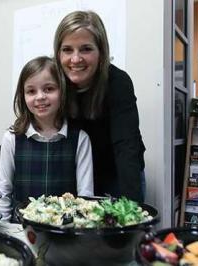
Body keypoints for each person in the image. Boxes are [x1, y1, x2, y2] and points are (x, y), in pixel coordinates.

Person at [53, 10, 146, 202]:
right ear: (58, 53)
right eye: (67, 49)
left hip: (117, 174)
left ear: (101, 52)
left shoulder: (118, 82)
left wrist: (133, 211)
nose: (76, 59)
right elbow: (23, 127)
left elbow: (126, 148)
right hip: (77, 175)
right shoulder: (53, 82)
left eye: (86, 49)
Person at [0, 56, 94, 221]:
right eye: (31, 91)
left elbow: (86, 197)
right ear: (23, 95)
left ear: (62, 91)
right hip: (21, 228)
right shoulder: (11, 138)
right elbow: (3, 191)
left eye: (48, 89)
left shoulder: (80, 139)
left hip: (64, 230)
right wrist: (3, 231)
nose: (40, 97)